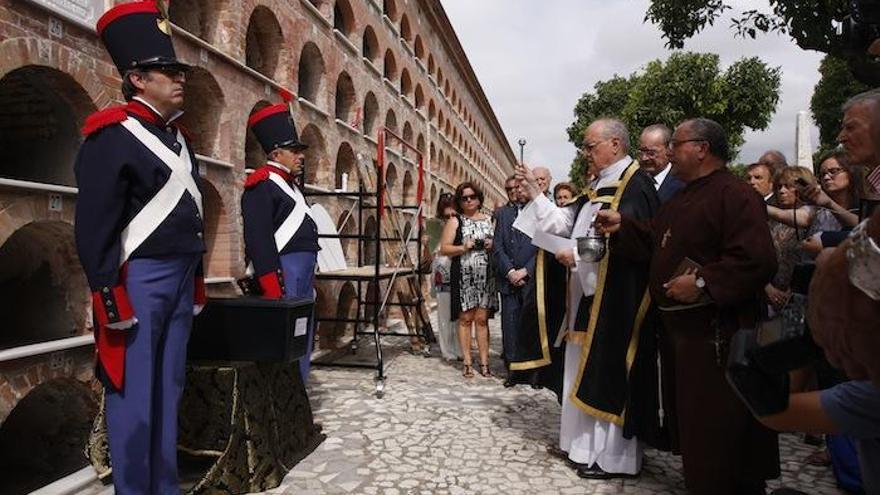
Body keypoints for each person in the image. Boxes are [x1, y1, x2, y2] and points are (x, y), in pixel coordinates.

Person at [595, 118, 780, 494]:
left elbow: (757, 260)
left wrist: (701, 282)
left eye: (676, 145)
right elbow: (657, 239)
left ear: (701, 149)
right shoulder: (682, 196)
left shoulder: (735, 194)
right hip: (684, 337)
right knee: (696, 426)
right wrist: (624, 225)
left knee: (721, 428)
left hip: (719, 336)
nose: (669, 153)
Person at [74, 3, 206, 493]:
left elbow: (192, 216)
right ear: (136, 78)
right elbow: (94, 228)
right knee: (132, 396)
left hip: (176, 278)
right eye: (167, 71)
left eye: (178, 71)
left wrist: (193, 281)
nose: (179, 80)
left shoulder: (180, 139)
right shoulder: (110, 138)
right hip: (139, 280)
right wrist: (108, 296)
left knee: (169, 391)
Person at [516, 118, 662, 480]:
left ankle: (614, 458)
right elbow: (560, 222)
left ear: (615, 144)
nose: (586, 153)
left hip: (616, 304)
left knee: (608, 375)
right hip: (587, 299)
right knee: (580, 372)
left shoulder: (636, 185)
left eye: (590, 145)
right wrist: (535, 191)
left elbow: (637, 244)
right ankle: (581, 447)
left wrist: (575, 257)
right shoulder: (599, 186)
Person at [241, 103, 319, 382]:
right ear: (276, 153)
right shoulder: (262, 184)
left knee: (302, 335)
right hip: (284, 271)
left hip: (303, 270)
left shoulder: (291, 185)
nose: (301, 157)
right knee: (287, 338)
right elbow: (259, 239)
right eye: (294, 151)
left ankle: (301, 399)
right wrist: (272, 286)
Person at [440, 183, 497, 378]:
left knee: (482, 320)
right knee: (465, 319)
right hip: (464, 276)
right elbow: (444, 249)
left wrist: (492, 244)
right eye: (464, 198)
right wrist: (463, 248)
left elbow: (499, 247)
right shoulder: (456, 222)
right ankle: (467, 362)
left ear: (479, 198)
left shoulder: (490, 221)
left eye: (472, 196)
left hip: (485, 277)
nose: (469, 200)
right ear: (460, 201)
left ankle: (484, 363)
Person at [493, 178, 537, 379]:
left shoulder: (538, 211)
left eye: (516, 187)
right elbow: (498, 246)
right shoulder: (502, 214)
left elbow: (543, 247)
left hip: (531, 278)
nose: (513, 191)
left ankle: (533, 372)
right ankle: (512, 370)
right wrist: (510, 271)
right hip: (508, 279)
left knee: (530, 324)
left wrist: (526, 270)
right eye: (508, 189)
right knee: (509, 325)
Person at [764, 167, 817, 310]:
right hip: (768, 296)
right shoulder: (768, 221)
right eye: (779, 186)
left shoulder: (815, 215)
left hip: (804, 297)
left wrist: (793, 291)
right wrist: (767, 287)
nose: (781, 191)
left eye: (788, 186)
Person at [431, 194, 462, 361]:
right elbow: (433, 251)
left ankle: (458, 348)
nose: (450, 218)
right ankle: (446, 350)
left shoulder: (460, 224)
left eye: (453, 215)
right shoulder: (436, 227)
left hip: (457, 268)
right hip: (442, 270)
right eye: (447, 215)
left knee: (458, 313)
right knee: (444, 312)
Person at [638, 124, 684, 203]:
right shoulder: (635, 181)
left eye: (651, 153)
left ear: (668, 150)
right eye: (641, 152)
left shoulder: (682, 183)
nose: (644, 158)